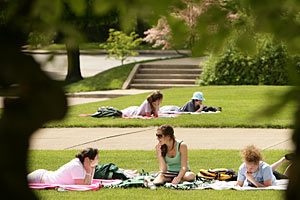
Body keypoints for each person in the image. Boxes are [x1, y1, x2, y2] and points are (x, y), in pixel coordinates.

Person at [28, 148, 99, 185]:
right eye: (96, 158)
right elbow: (83, 185)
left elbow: (89, 183)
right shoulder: (77, 165)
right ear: (88, 159)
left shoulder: (84, 166)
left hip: (43, 177)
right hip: (40, 178)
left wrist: (92, 169)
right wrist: (89, 171)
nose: (98, 160)